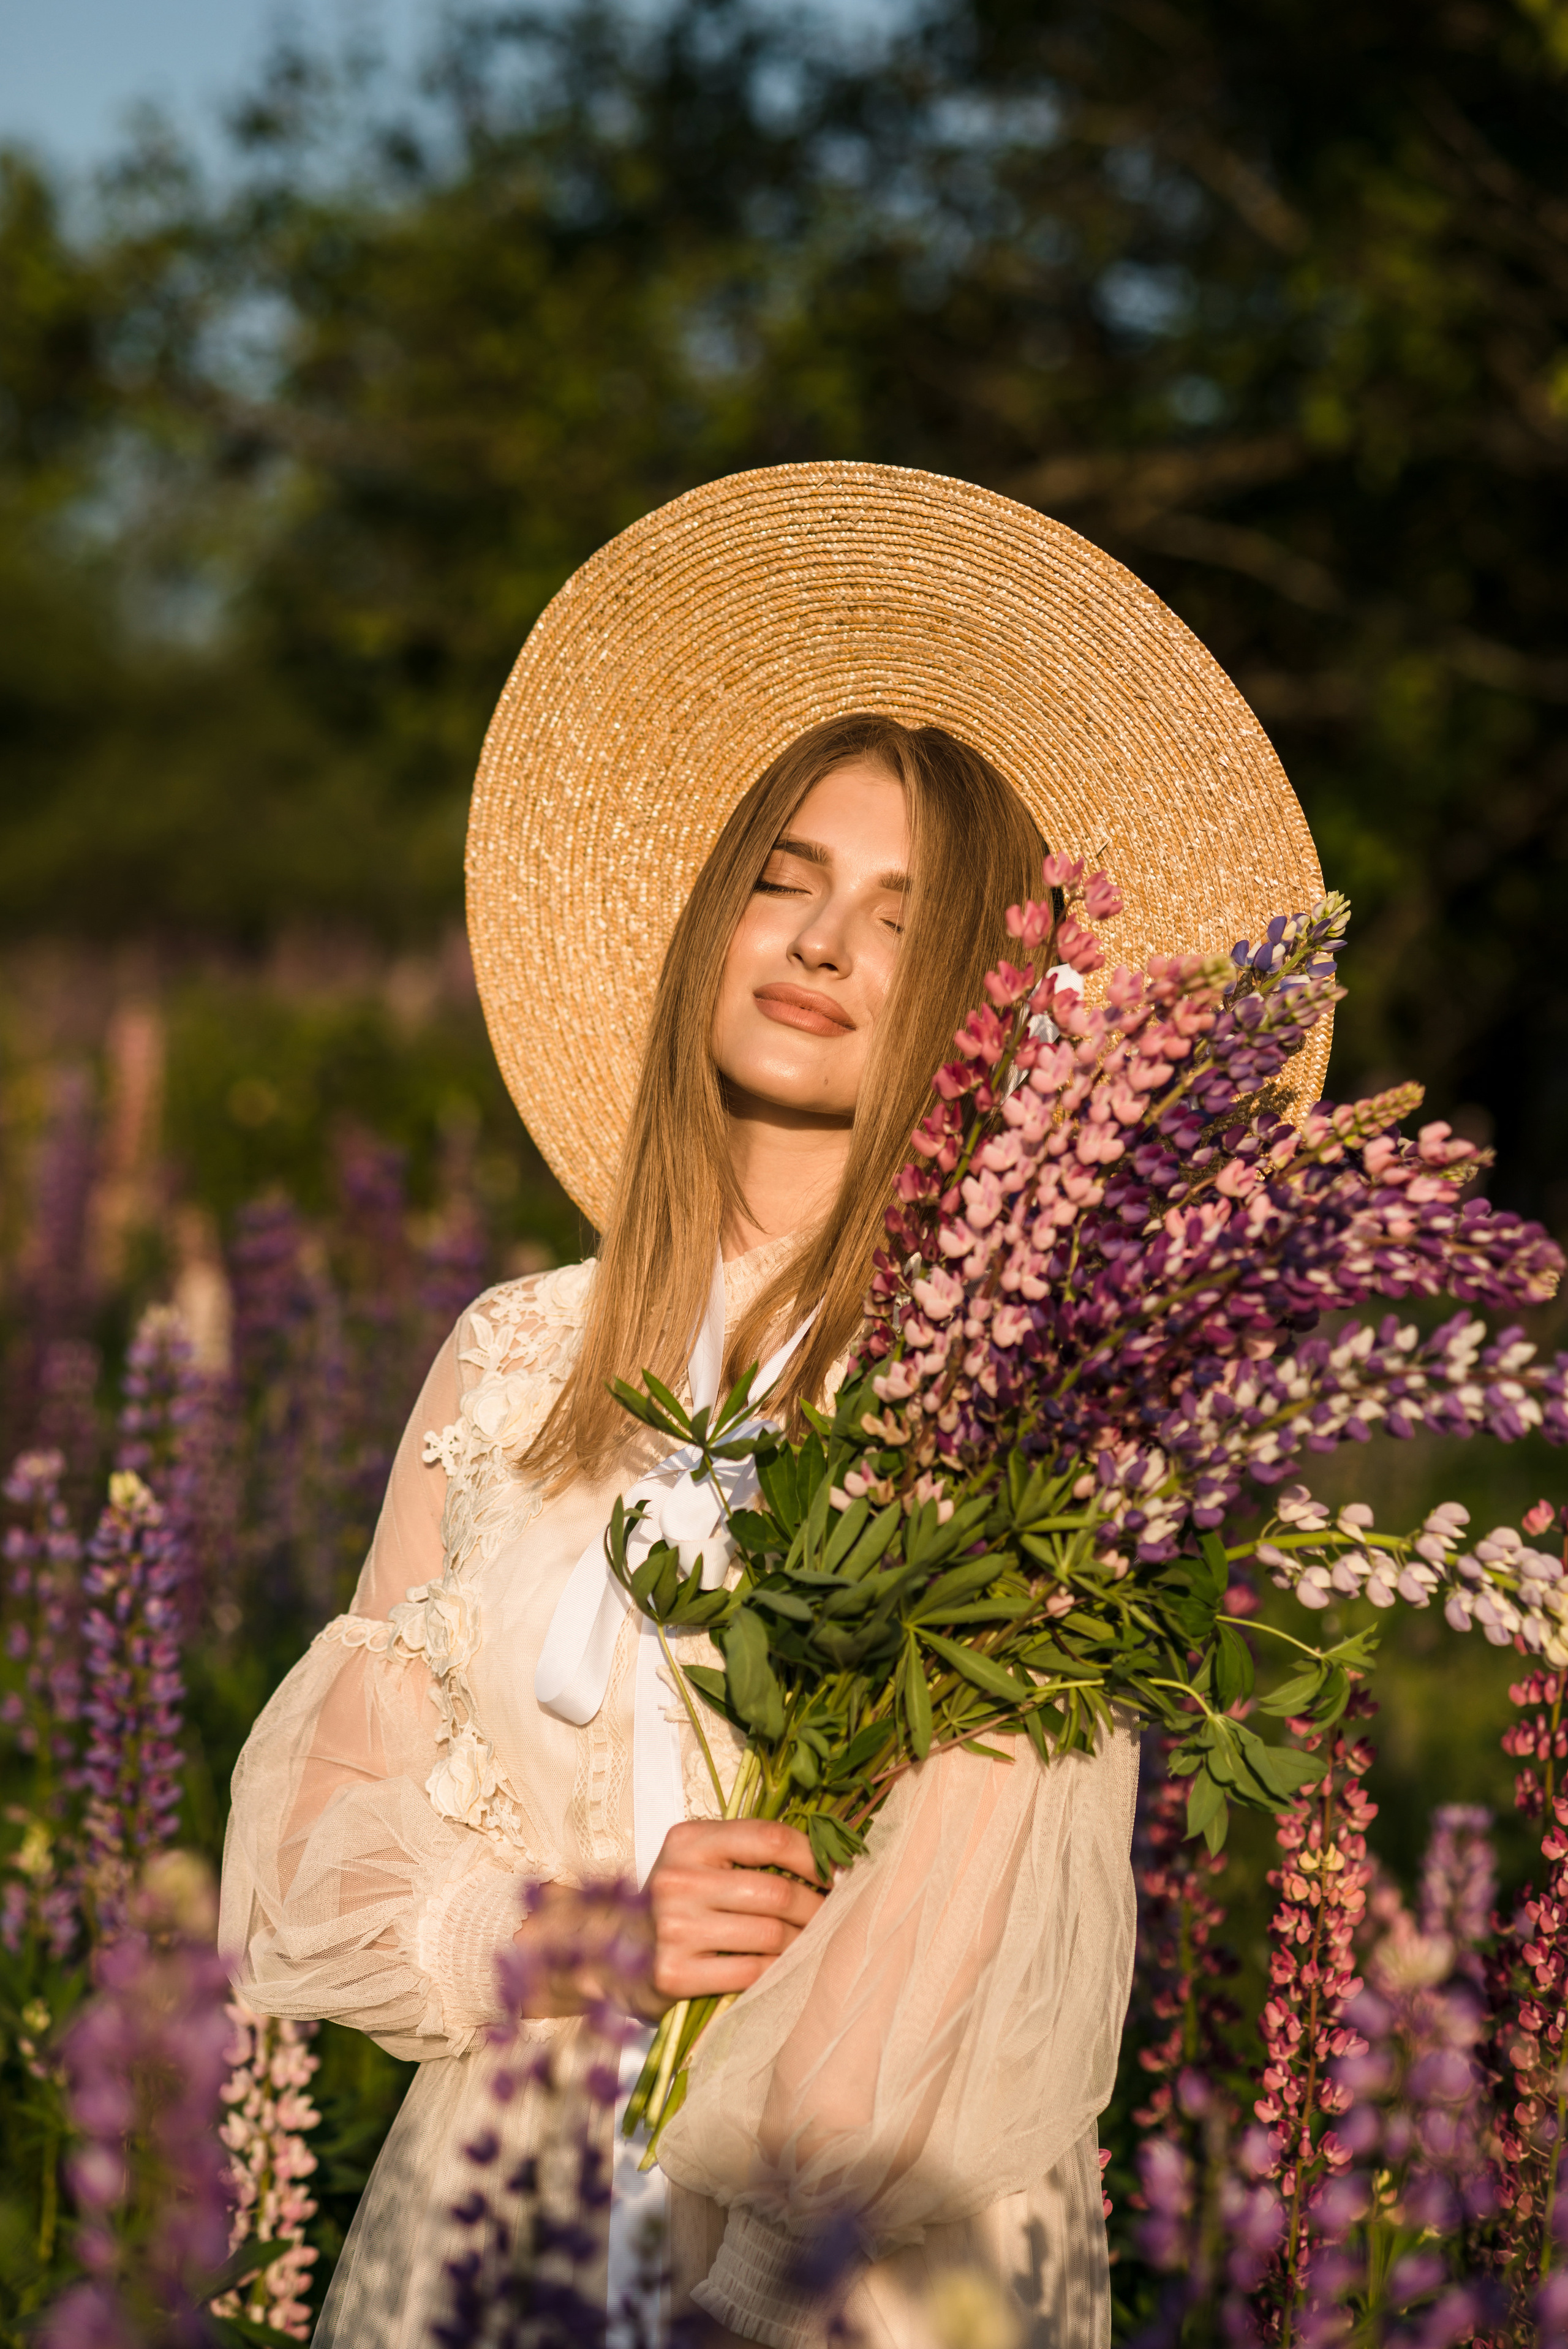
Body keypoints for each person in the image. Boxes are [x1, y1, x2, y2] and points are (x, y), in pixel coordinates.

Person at [220, 462, 1328, 2349]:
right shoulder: (513, 1356)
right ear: (708, 926)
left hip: (846, 2281)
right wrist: (593, 1940)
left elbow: (940, 1985)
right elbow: (313, 1855)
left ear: (988, 1011)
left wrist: (739, 2299)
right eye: (783, 882)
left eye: (899, 919)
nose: (818, 945)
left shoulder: (1019, 1400)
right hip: (497, 2237)